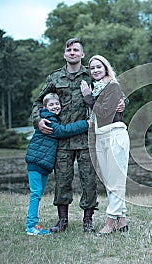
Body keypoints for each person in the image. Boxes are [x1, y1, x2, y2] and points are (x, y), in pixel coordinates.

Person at [30, 38, 125, 233]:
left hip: (87, 139)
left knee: (89, 180)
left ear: (82, 54)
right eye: (69, 50)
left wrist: (123, 103)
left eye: (76, 50)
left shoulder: (91, 76)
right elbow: (38, 102)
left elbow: (113, 91)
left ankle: (87, 220)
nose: (72, 52)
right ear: (65, 54)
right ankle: (62, 221)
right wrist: (38, 121)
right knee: (62, 180)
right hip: (62, 139)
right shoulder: (55, 78)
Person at [25, 93, 90, 236]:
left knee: (38, 193)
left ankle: (33, 223)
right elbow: (63, 131)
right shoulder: (47, 120)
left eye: (57, 104)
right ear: (44, 107)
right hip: (36, 162)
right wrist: (86, 123)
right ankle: (31, 226)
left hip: (43, 164)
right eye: (51, 105)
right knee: (35, 194)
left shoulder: (53, 118)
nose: (55, 107)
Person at [80, 55, 130, 235]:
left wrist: (88, 98)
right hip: (100, 136)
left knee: (116, 180)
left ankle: (110, 222)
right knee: (110, 181)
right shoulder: (94, 88)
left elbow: (104, 113)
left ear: (106, 68)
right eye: (92, 68)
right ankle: (122, 220)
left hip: (115, 134)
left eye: (98, 67)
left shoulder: (112, 86)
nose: (95, 71)